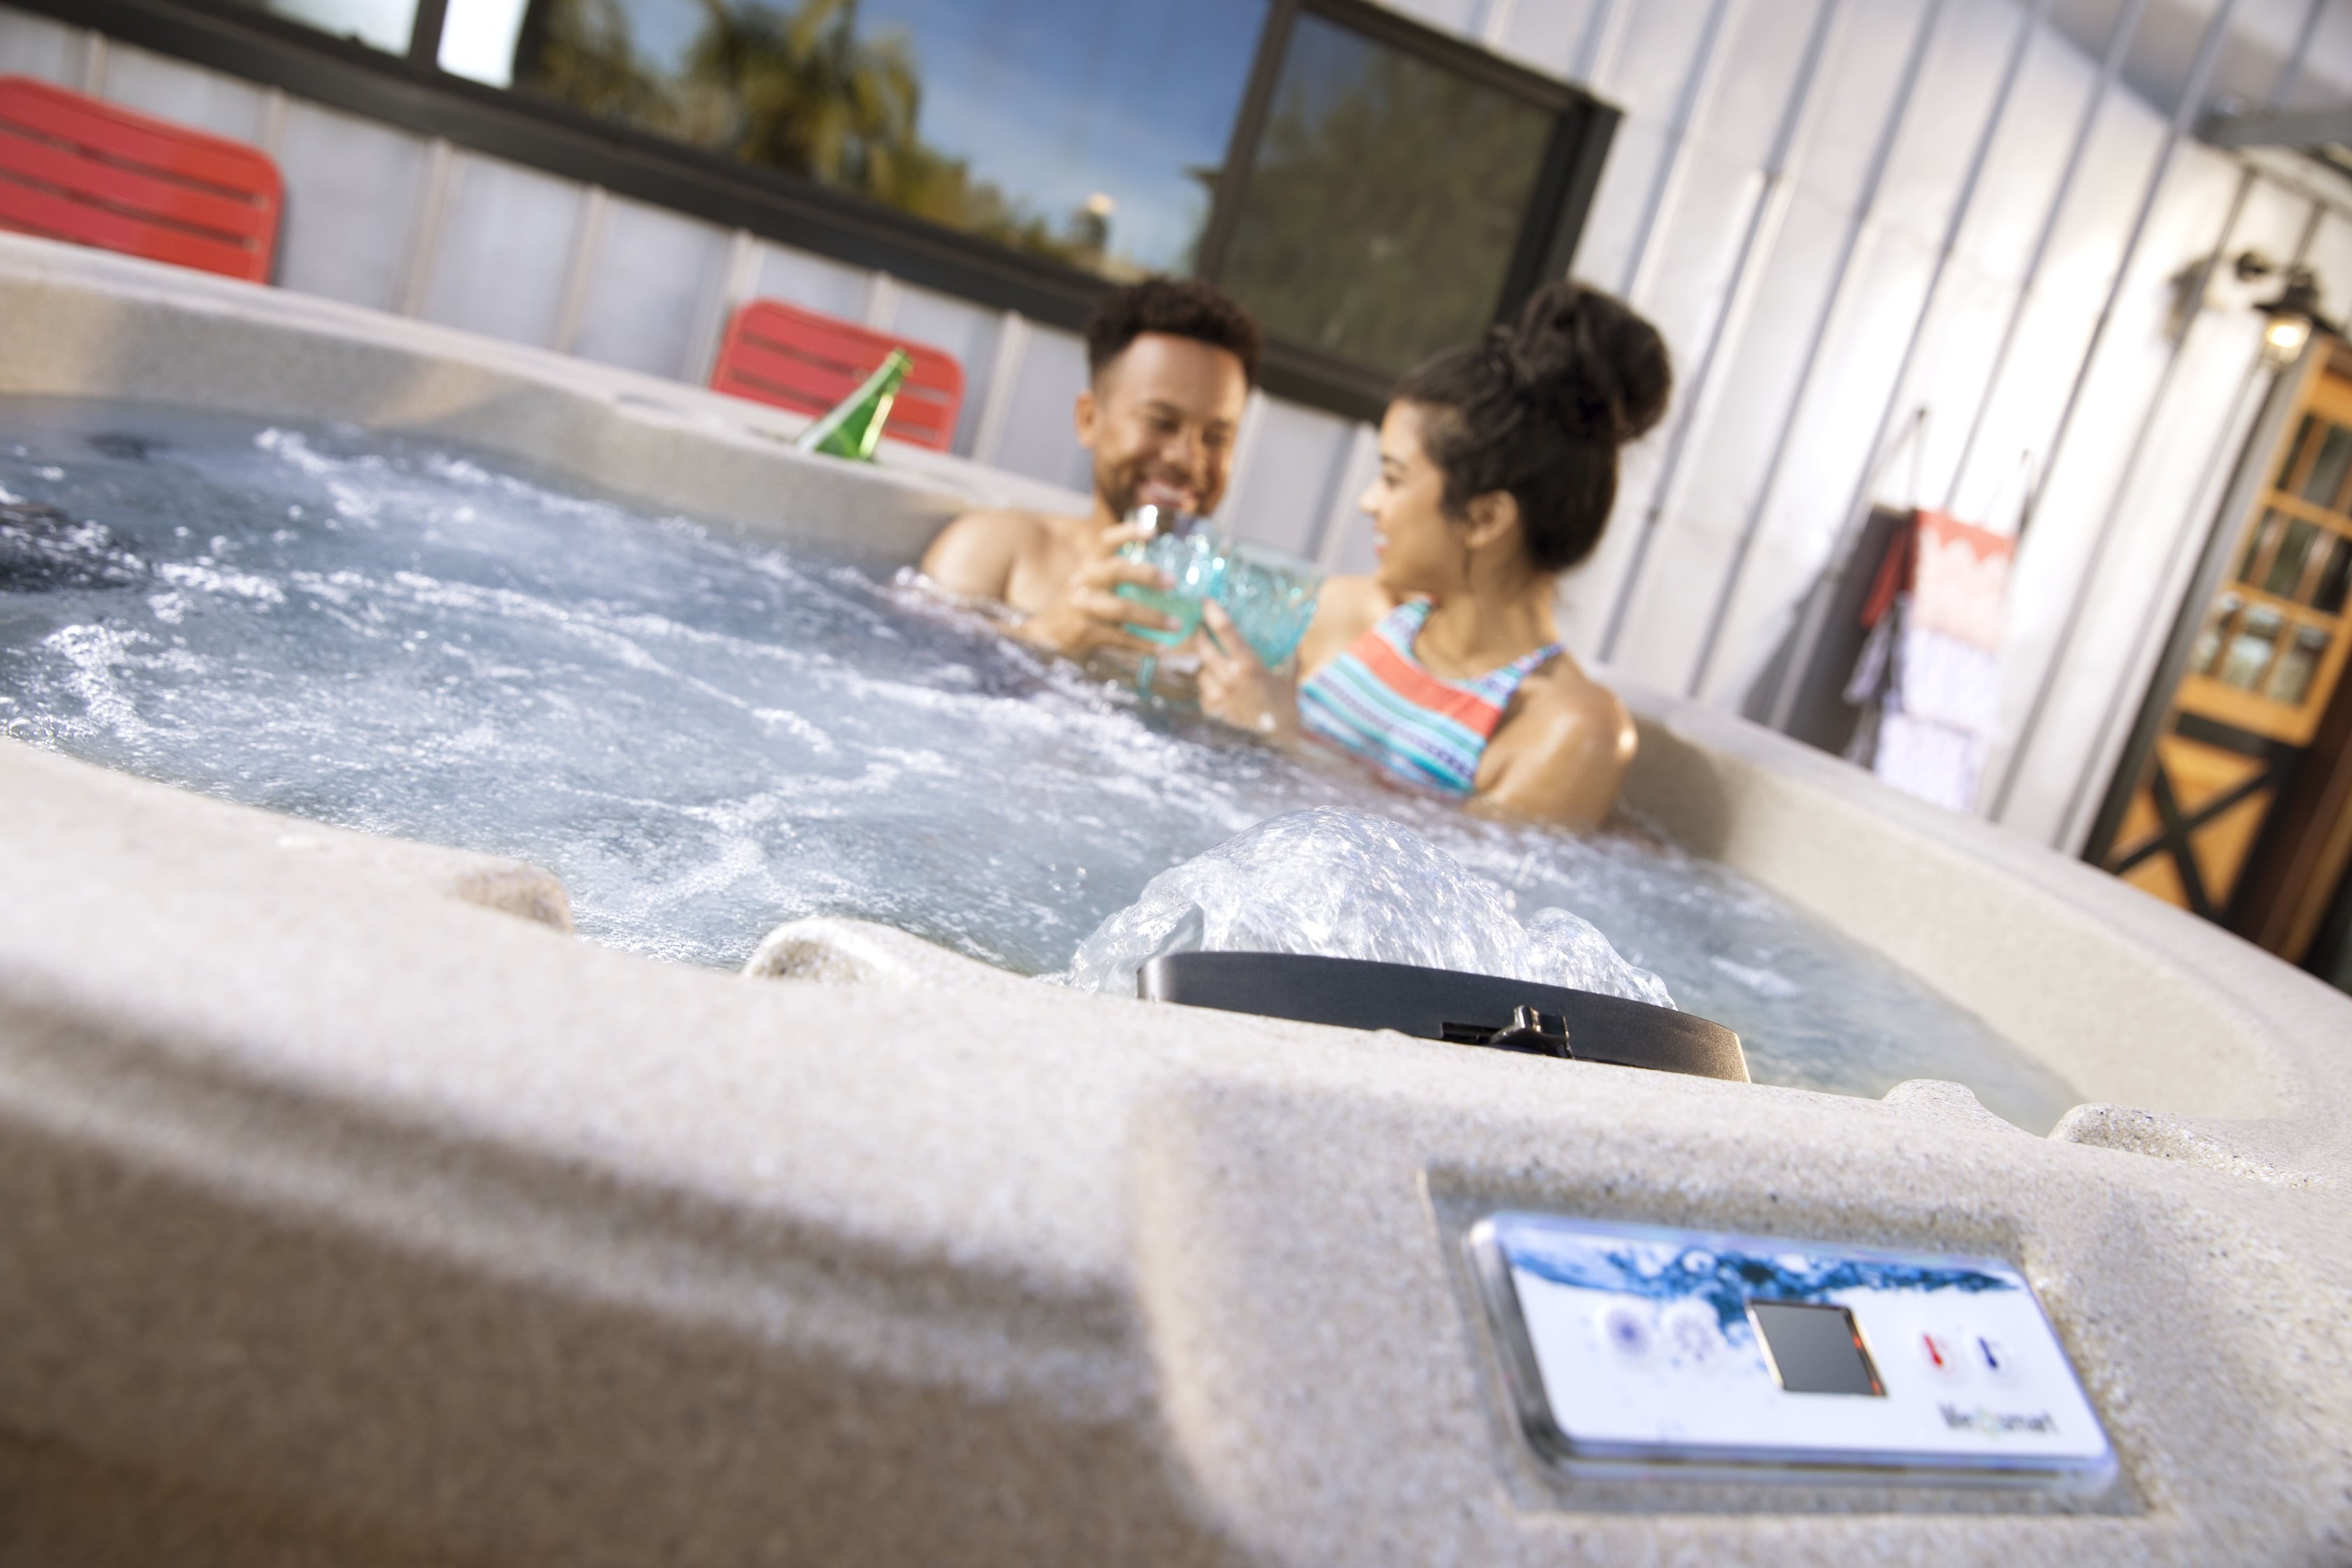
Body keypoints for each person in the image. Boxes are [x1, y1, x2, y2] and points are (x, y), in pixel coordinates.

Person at [1193, 281, 1670, 833]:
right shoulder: (1345, 615)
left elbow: (1449, 906)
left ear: (1483, 518)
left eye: (1394, 478)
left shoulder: (1568, 729)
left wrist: (1279, 740)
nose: (1369, 501)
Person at [920, 277, 1262, 657]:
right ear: (1089, 419)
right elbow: (912, 665)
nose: (1188, 458)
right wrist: (1044, 637)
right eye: (1161, 423)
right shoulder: (998, 550)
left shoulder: (1249, 621)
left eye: (1216, 437)